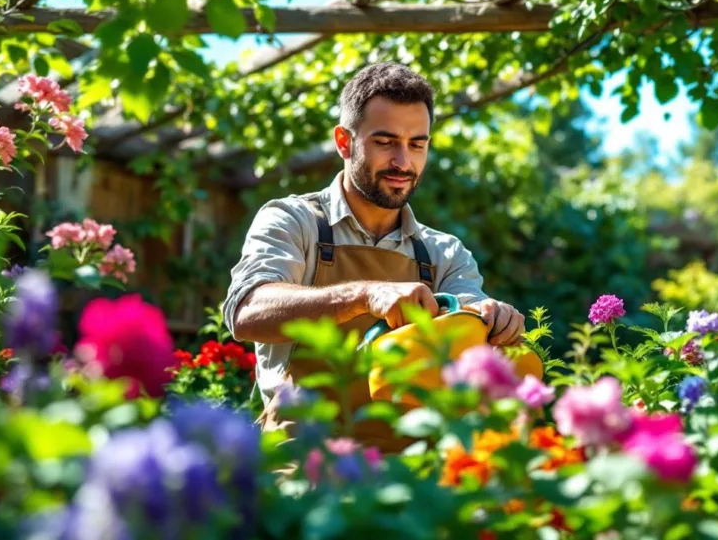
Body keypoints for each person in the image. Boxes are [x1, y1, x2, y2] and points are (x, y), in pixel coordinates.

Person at [222, 62, 526, 450]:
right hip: (304, 466)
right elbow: (247, 311)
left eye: (417, 144)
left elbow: (470, 322)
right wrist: (363, 296)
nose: (404, 162)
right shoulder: (294, 220)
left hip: (416, 474)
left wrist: (495, 321)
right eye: (385, 142)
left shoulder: (443, 252)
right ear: (344, 142)